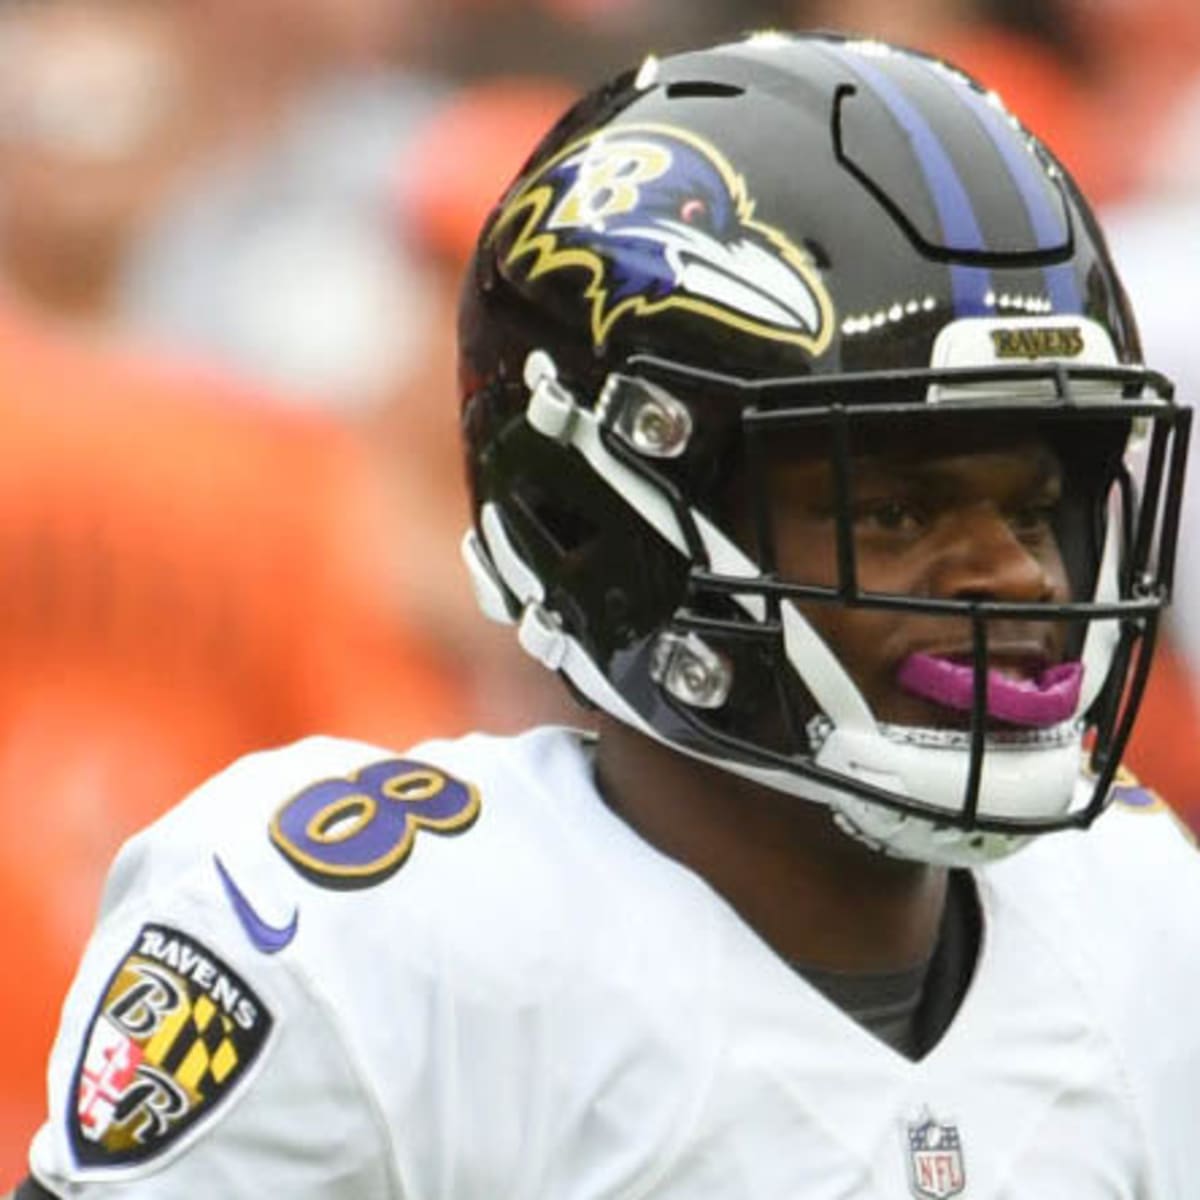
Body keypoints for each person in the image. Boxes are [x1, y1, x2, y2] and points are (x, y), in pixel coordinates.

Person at [9, 31, 1199, 1199]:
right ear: (608, 527)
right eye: (893, 510)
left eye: (1035, 509)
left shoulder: (1135, 915)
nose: (1019, 576)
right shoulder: (364, 954)